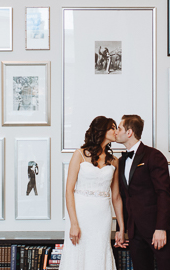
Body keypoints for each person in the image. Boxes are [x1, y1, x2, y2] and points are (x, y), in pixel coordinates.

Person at [59, 116, 125, 270]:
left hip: (102, 216)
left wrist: (121, 228)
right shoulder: (79, 154)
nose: (116, 131)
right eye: (112, 128)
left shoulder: (114, 161)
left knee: (99, 253)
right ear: (100, 131)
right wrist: (74, 223)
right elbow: (69, 191)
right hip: (80, 215)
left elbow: (116, 197)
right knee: (77, 254)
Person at [115, 114, 170, 270]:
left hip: (156, 229)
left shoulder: (154, 156)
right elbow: (123, 197)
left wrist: (161, 228)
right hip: (134, 232)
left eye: (119, 128)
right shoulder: (121, 162)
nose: (116, 131)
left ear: (129, 132)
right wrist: (120, 229)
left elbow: (163, 194)